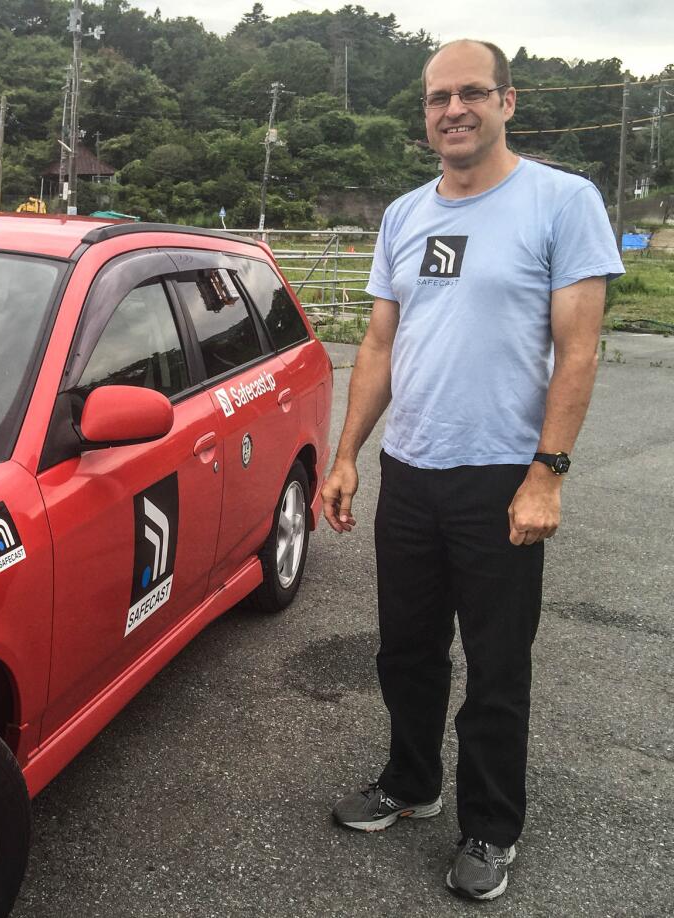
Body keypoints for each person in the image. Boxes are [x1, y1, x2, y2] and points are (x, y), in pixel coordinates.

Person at [323, 39, 623, 901]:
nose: (452, 110)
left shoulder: (561, 202)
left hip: (500, 476)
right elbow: (380, 342)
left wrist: (548, 473)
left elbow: (580, 350)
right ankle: (410, 783)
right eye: (435, 98)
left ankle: (492, 827)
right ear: (424, 114)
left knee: (497, 666)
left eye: (470, 94)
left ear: (507, 102)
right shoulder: (405, 214)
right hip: (410, 469)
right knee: (406, 651)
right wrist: (347, 456)